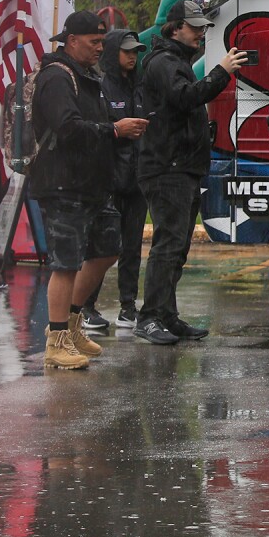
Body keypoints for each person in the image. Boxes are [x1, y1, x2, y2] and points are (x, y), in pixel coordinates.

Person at [31, 11, 149, 369]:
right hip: (64, 184)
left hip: (93, 184)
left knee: (105, 253)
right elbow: (67, 128)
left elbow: (90, 125)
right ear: (71, 41)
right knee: (66, 263)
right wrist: (115, 130)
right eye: (94, 42)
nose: (101, 48)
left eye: (102, 42)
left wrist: (113, 132)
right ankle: (56, 340)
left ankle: (72, 323)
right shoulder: (56, 77)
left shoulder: (86, 76)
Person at [135, 0, 244, 345]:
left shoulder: (174, 61)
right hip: (168, 167)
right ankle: (150, 316)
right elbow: (186, 97)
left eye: (202, 27)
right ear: (174, 28)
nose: (200, 32)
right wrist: (221, 71)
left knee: (177, 246)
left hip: (181, 167)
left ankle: (166, 315)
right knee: (168, 245)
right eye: (194, 26)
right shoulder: (165, 62)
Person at [79, 29, 148, 332]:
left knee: (132, 247)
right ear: (112, 53)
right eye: (127, 50)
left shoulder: (140, 86)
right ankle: (86, 306)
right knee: (102, 247)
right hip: (109, 181)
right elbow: (93, 130)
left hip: (137, 180)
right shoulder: (100, 86)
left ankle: (128, 307)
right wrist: (117, 129)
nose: (132, 56)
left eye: (135, 51)